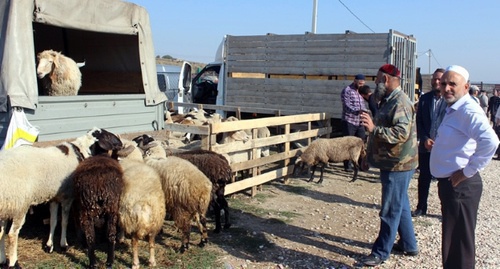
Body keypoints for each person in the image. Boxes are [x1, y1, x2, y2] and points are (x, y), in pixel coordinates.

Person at [430, 65, 499, 269]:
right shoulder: (454, 108)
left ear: (466, 87)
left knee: (459, 244)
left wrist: (467, 171)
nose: (447, 88)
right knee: (453, 241)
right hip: (452, 185)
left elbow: (491, 142)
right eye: (444, 84)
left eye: (453, 84)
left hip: (461, 185)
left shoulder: (468, 110)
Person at [359, 64, 418, 266]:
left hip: (398, 165)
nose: (374, 84)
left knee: (390, 210)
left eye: (376, 80)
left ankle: (380, 252)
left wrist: (374, 129)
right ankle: (409, 245)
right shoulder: (389, 100)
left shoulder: (400, 102)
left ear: (385, 79)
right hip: (393, 162)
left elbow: (400, 133)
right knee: (400, 205)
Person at [412, 68, 446, 217]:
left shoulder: (450, 101)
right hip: (426, 146)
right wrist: (425, 138)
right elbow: (419, 121)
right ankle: (421, 207)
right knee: (424, 178)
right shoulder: (425, 99)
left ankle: (446, 210)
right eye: (434, 79)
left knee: (444, 181)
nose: (436, 81)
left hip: (443, 148)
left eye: (439, 79)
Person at [340, 74, 367, 172]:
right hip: (349, 120)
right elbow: (347, 105)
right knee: (348, 144)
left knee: (361, 142)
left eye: (363, 84)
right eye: (360, 83)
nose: (361, 85)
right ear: (355, 81)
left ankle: (360, 164)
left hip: (360, 121)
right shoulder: (347, 90)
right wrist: (358, 110)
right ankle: (347, 165)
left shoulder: (361, 92)